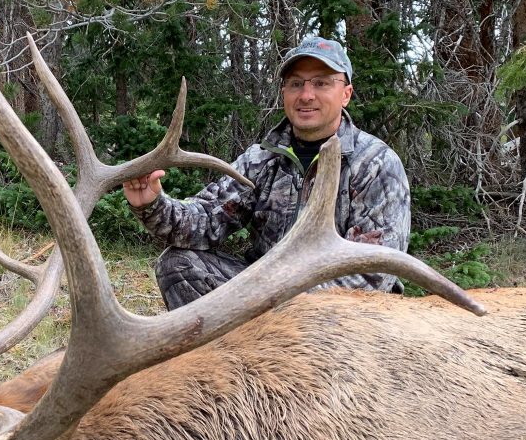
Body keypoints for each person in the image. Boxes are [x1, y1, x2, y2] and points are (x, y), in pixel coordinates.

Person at [123, 36, 411, 310]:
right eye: (296, 84)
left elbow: (374, 271)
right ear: (284, 93)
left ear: (345, 94)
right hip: (267, 296)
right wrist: (152, 203)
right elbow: (206, 220)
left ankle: (254, 347)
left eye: (322, 83)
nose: (306, 95)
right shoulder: (262, 159)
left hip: (343, 314)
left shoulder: (376, 164)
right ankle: (230, 359)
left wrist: (287, 304)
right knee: (179, 265)